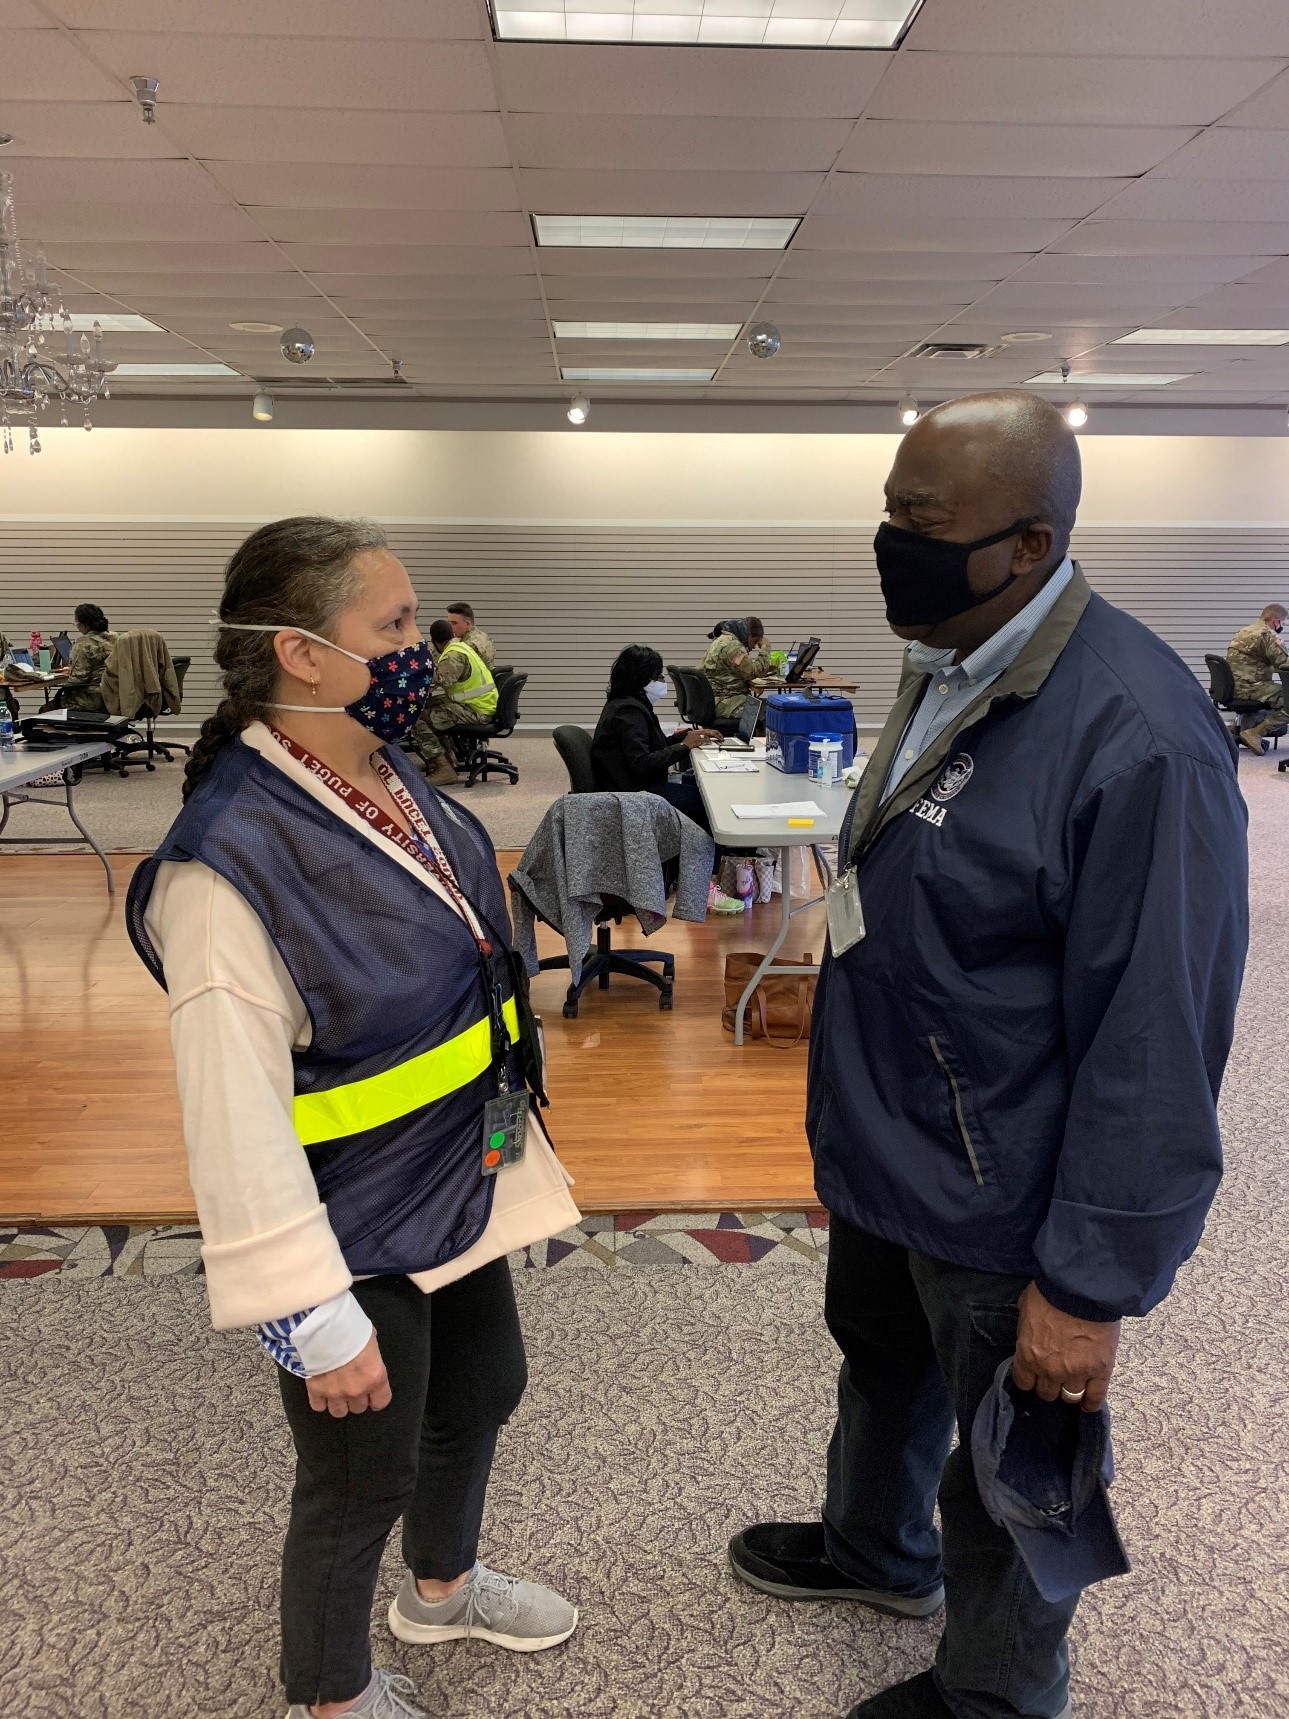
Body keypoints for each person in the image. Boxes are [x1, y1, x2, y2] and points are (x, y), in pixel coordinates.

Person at [729, 392, 1248, 1719]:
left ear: (1025, 542)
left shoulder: (1136, 735)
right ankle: (872, 1547)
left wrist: (1089, 1283)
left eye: (918, 519)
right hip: (892, 1140)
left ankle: (998, 1690)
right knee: (880, 1360)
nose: (886, 540)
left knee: (1018, 1448)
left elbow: (1158, 1039)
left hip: (1006, 1184)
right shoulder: (948, 655)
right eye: (887, 507)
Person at [124, 517, 579, 1719]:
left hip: (450, 1171)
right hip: (342, 1219)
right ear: (301, 656)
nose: (420, 648)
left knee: (482, 1389)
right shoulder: (224, 868)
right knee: (355, 1468)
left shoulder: (380, 771)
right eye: (393, 629)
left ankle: (443, 1585)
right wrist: (310, 1317)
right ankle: (328, 1693)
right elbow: (231, 1125)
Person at [588, 645, 742, 913]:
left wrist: (683, 738)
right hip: (634, 795)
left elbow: (648, 749)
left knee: (696, 790)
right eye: (657, 678)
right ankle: (701, 889)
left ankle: (691, 878)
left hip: (632, 788)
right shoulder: (629, 712)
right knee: (709, 809)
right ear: (642, 679)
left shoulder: (629, 705)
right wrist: (684, 747)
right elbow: (641, 765)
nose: (662, 683)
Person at [409, 619, 498, 787]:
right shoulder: (461, 645)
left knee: (415, 717)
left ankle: (443, 768)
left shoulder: (453, 654)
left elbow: (434, 684)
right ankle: (447, 760)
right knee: (427, 707)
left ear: (435, 641)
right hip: (480, 705)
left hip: (476, 710)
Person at [1225, 602, 1288, 752]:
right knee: (1288, 699)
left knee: (1275, 693)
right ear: (1276, 621)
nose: (1282, 627)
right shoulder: (1267, 634)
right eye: (1283, 623)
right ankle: (1255, 733)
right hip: (1251, 687)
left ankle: (1239, 729)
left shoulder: (1244, 631)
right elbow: (1284, 662)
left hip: (1234, 687)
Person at [699, 617, 771, 721]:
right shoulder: (733, 647)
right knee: (772, 711)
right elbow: (753, 672)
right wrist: (765, 648)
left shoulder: (721, 641)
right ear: (749, 635)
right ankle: (760, 737)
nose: (754, 647)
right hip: (726, 703)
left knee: (767, 705)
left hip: (715, 700)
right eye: (754, 642)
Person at [63, 602, 118, 712]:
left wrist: (63, 682)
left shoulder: (83, 644)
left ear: (84, 625)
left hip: (94, 699)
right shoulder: (117, 638)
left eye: (76, 623)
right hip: (117, 695)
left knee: (47, 708)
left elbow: (79, 679)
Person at [446, 601, 496, 668]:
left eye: (454, 623)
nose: (450, 627)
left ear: (467, 624)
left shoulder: (470, 645)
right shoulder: (483, 636)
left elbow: (450, 670)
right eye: (448, 623)